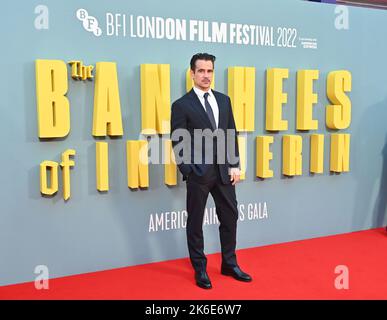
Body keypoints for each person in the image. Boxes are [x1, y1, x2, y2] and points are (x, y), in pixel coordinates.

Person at [170, 53, 252, 289]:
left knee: (230, 216)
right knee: (195, 221)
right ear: (192, 73)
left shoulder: (224, 100)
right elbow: (178, 140)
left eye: (210, 71)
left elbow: (230, 133)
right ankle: (200, 269)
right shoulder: (182, 105)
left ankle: (229, 263)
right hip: (199, 173)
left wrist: (235, 164)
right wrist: (189, 170)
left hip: (225, 170)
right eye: (201, 71)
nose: (206, 75)